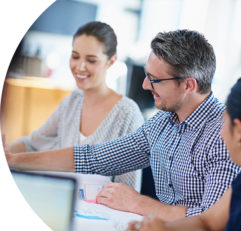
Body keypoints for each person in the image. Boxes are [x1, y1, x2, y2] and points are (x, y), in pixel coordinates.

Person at [5, 29, 240, 221]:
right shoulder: (162, 122)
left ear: (189, 85)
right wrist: (14, 161)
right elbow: (93, 157)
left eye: (155, 80)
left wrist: (139, 203)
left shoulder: (225, 135)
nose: (146, 86)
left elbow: (213, 220)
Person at [126, 74, 241, 231]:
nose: (221, 133)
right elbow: (208, 221)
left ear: (238, 130)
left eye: (224, 122)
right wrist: (164, 229)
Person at [4, 21, 144, 190]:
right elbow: (33, 143)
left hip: (100, 213)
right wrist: (7, 150)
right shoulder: (72, 101)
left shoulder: (128, 113)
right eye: (75, 56)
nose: (80, 67)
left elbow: (129, 190)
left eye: (91, 60)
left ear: (111, 61)